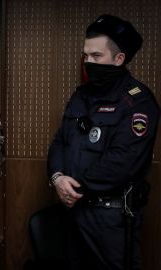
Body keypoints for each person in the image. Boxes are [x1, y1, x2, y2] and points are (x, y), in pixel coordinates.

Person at [47, 14, 160, 270]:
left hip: (111, 218)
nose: (88, 62)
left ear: (119, 59)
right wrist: (57, 178)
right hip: (73, 212)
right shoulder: (81, 95)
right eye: (86, 55)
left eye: (96, 56)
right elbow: (60, 142)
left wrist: (75, 189)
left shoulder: (138, 102)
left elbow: (123, 161)